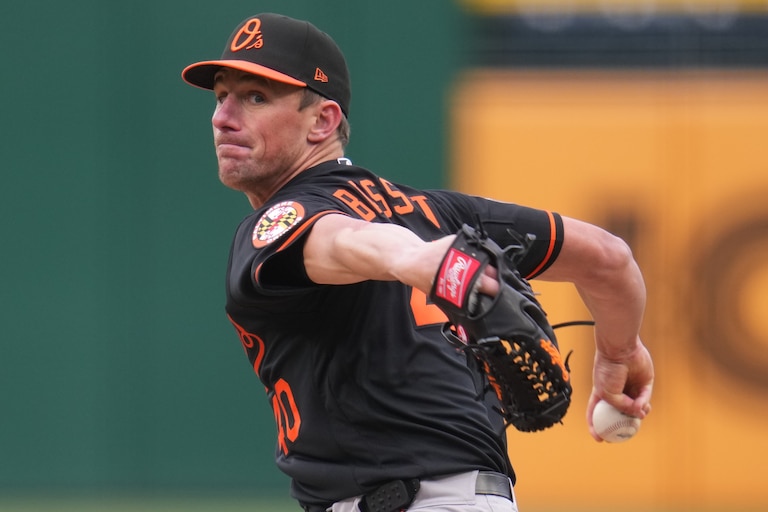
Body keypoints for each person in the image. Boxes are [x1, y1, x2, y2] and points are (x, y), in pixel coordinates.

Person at [182, 13, 654, 512]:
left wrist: (427, 262)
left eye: (255, 98)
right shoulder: (439, 213)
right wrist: (620, 353)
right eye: (221, 97)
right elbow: (608, 258)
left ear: (322, 120)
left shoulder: (282, 220)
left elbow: (348, 243)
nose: (223, 117)